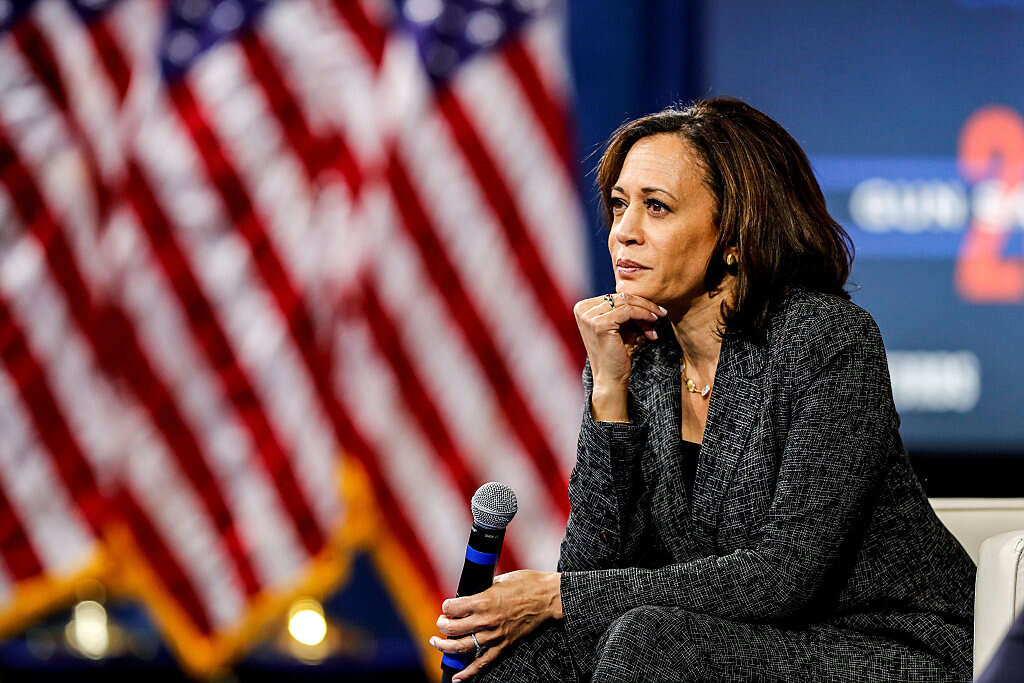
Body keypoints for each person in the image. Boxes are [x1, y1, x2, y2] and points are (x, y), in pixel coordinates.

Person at [427, 97, 975, 681]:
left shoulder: (825, 341)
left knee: (649, 643)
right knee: (510, 663)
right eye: (619, 205)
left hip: (884, 641)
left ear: (734, 235)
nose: (623, 232)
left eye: (656, 208)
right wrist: (609, 392)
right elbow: (593, 568)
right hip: (726, 637)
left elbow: (783, 576)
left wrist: (556, 595)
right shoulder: (638, 355)